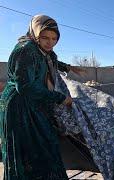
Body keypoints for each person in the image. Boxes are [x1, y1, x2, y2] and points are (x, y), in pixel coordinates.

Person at [0, 14, 85, 179]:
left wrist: (69, 68)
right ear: (35, 32)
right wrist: (61, 98)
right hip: (19, 107)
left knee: (46, 148)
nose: (50, 42)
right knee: (32, 151)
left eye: (54, 38)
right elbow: (25, 86)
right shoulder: (25, 50)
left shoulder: (43, 50)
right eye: (45, 37)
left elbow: (50, 60)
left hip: (35, 103)